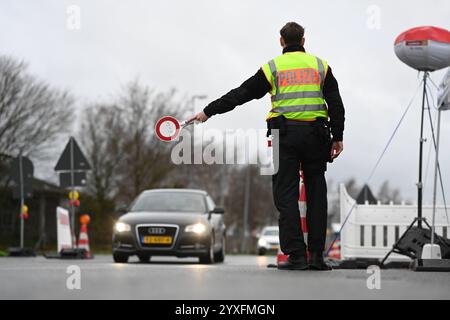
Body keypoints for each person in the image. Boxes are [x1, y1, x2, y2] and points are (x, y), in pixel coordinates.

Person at [188, 22, 345, 270]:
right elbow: (336, 104)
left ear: (281, 41)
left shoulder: (273, 67)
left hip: (283, 137)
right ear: (303, 41)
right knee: (317, 194)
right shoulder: (320, 66)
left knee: (286, 195)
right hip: (316, 136)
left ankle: (297, 256)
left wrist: (208, 111)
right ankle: (316, 256)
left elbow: (241, 94)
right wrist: (338, 136)